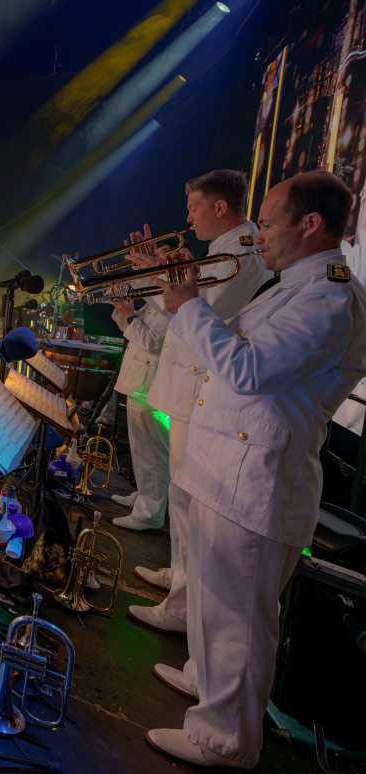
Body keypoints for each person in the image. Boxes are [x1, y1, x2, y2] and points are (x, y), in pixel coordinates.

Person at [145, 171, 366, 770]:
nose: (258, 234)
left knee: (240, 617)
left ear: (310, 224)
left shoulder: (328, 295)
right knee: (218, 603)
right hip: (232, 468)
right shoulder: (295, 283)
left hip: (259, 477)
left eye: (268, 223)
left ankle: (227, 739)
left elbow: (248, 371)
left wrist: (189, 309)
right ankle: (209, 689)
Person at [126, 169, 268, 635]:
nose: (188, 218)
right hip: (186, 386)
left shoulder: (241, 252)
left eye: (194, 208)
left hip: (198, 389)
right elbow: (185, 302)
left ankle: (181, 606)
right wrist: (166, 268)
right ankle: (178, 576)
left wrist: (167, 276)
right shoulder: (223, 250)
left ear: (220, 207)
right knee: (180, 496)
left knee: (187, 499)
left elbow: (194, 312)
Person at [109, 296, 171, 531]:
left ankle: (150, 512)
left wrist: (130, 315)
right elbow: (129, 329)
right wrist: (123, 311)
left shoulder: (170, 302)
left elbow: (152, 341)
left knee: (153, 452)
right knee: (140, 448)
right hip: (139, 380)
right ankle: (145, 495)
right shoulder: (157, 300)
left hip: (152, 384)